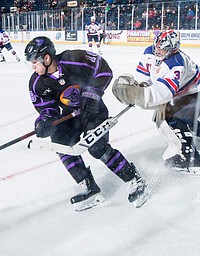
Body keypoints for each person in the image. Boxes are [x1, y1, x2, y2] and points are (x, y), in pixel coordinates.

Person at [24, 36, 147, 211]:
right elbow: (47, 108)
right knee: (61, 143)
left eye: (35, 61)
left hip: (94, 110)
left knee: (97, 148)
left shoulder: (73, 59)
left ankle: (134, 179)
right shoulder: (36, 83)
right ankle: (89, 187)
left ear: (47, 58)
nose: (33, 66)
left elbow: (104, 70)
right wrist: (45, 121)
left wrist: (93, 94)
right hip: (71, 115)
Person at [112, 30, 200, 174]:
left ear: (173, 50)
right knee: (177, 118)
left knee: (168, 117)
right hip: (182, 92)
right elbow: (144, 77)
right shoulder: (149, 52)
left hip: (194, 92)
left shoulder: (176, 63)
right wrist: (138, 88)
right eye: (157, 46)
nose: (159, 51)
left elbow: (164, 93)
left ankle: (191, 159)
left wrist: (140, 96)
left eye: (164, 49)